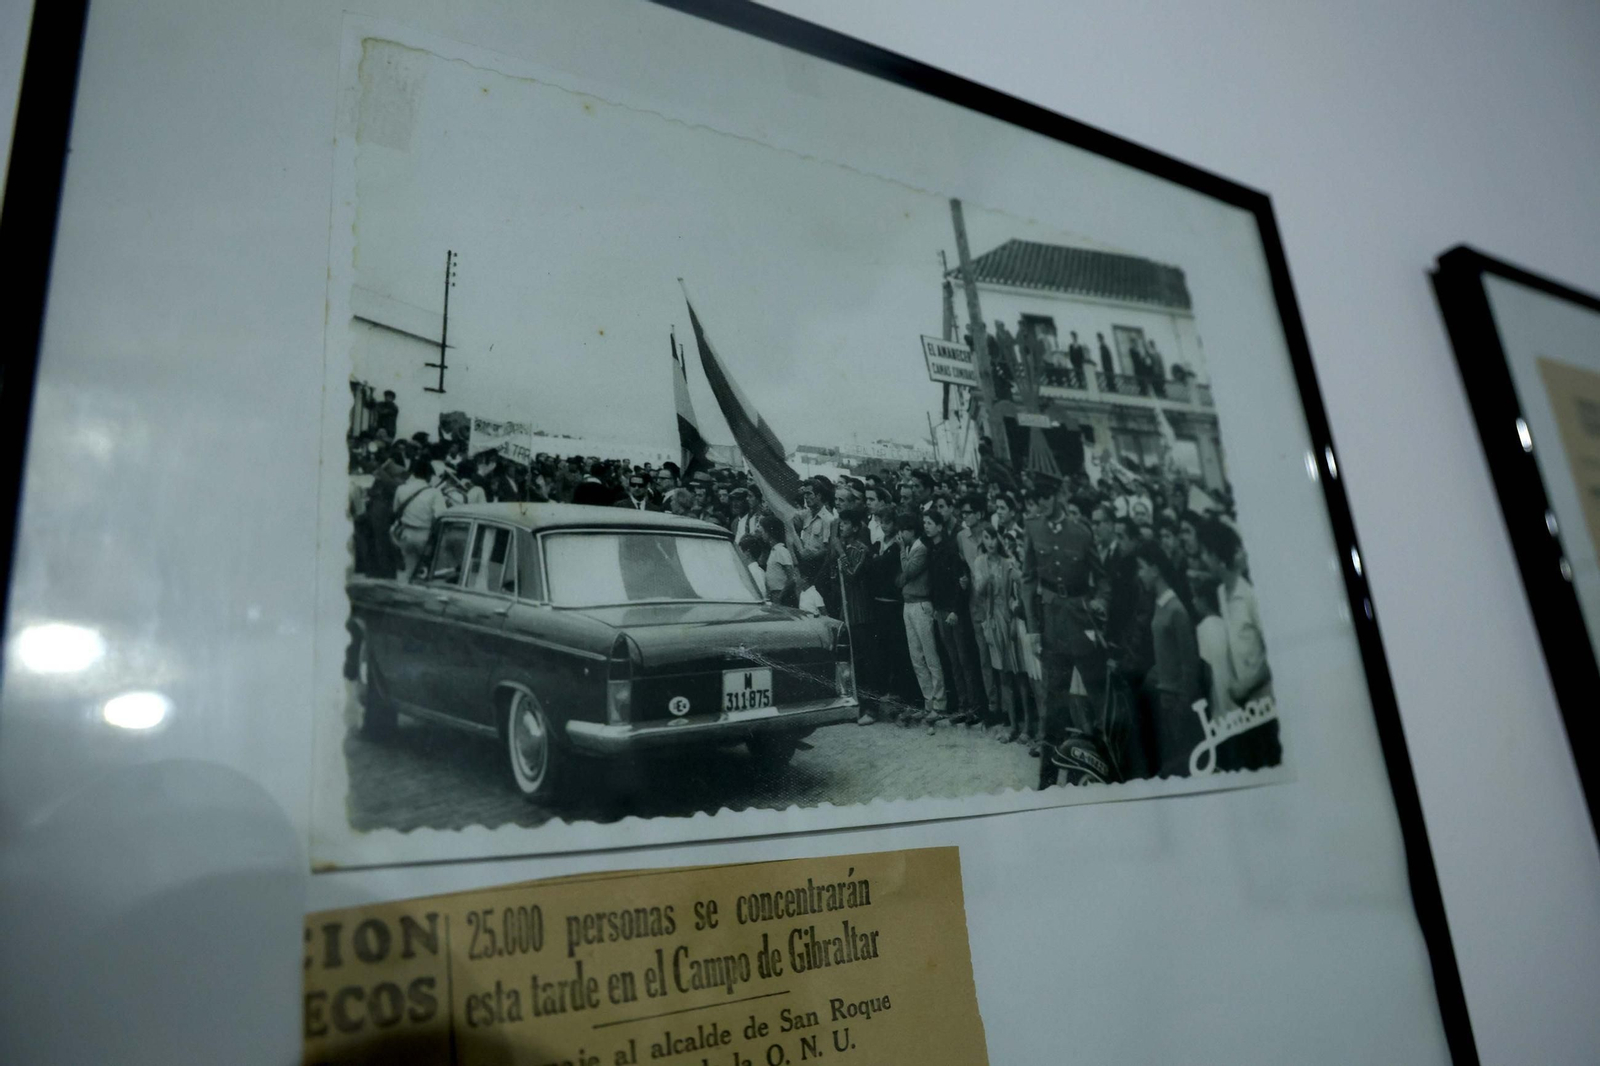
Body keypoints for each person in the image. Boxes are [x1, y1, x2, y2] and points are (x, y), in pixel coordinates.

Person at [1021, 472, 1099, 784]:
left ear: (1058, 496)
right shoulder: (1033, 528)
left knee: (1095, 701)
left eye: (1046, 496)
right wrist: (1033, 629)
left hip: (1082, 623)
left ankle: (1097, 771)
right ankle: (1048, 782)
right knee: (1054, 708)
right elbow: (1029, 581)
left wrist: (1098, 609)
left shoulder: (1080, 532)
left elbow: (1100, 579)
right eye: (1037, 497)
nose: (1041, 502)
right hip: (1052, 626)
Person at [1195, 517, 1280, 771]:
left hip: (1266, 705)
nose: (1202, 559)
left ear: (1217, 555)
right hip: (1243, 709)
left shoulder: (1251, 596)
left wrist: (1248, 684)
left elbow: (1276, 653)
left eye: (1205, 553)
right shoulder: (1221, 593)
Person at [1133, 539, 1204, 776]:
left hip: (1175, 706)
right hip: (1163, 699)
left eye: (1141, 567)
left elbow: (1189, 663)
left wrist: (1182, 706)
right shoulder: (1159, 603)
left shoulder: (1176, 610)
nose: (1139, 574)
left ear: (1154, 569)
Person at [925, 511, 980, 728]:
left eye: (930, 523)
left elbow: (960, 582)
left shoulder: (950, 549)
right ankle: (963, 705)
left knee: (964, 660)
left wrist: (955, 610)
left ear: (940, 526)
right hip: (940, 610)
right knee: (953, 660)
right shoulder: (931, 551)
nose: (926, 526)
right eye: (925, 523)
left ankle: (973, 707)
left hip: (953, 612)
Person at [972, 523, 1021, 742]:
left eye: (993, 538)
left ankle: (1016, 719)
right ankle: (1005, 717)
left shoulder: (1007, 562)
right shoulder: (980, 561)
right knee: (999, 670)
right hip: (992, 620)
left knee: (1013, 671)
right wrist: (987, 579)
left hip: (1009, 618)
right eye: (986, 538)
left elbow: (1016, 589)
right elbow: (978, 591)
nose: (990, 542)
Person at [895, 509, 944, 722]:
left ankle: (939, 703)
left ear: (911, 531)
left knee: (930, 656)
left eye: (903, 530)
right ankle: (928, 702)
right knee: (917, 657)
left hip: (922, 605)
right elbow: (902, 578)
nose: (900, 535)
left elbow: (907, 572)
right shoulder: (911, 548)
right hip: (909, 604)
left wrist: (901, 551)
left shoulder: (920, 549)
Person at [834, 508, 875, 725]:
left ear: (856, 527)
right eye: (840, 523)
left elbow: (851, 576)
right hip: (847, 612)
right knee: (850, 662)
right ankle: (855, 704)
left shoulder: (861, 549)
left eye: (846, 523)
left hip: (860, 614)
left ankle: (870, 708)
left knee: (864, 663)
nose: (842, 526)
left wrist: (841, 553)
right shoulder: (842, 547)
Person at [391, 455, 448, 582]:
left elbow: (395, 510)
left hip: (405, 533)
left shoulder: (401, 489)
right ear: (428, 475)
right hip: (424, 535)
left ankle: (402, 587)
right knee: (424, 571)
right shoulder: (434, 493)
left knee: (405, 569)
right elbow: (441, 515)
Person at [761, 513, 800, 608]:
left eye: (763, 531)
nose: (762, 534)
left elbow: (791, 577)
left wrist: (781, 595)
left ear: (769, 533)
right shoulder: (773, 551)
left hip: (782, 596)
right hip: (774, 595)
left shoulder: (781, 550)